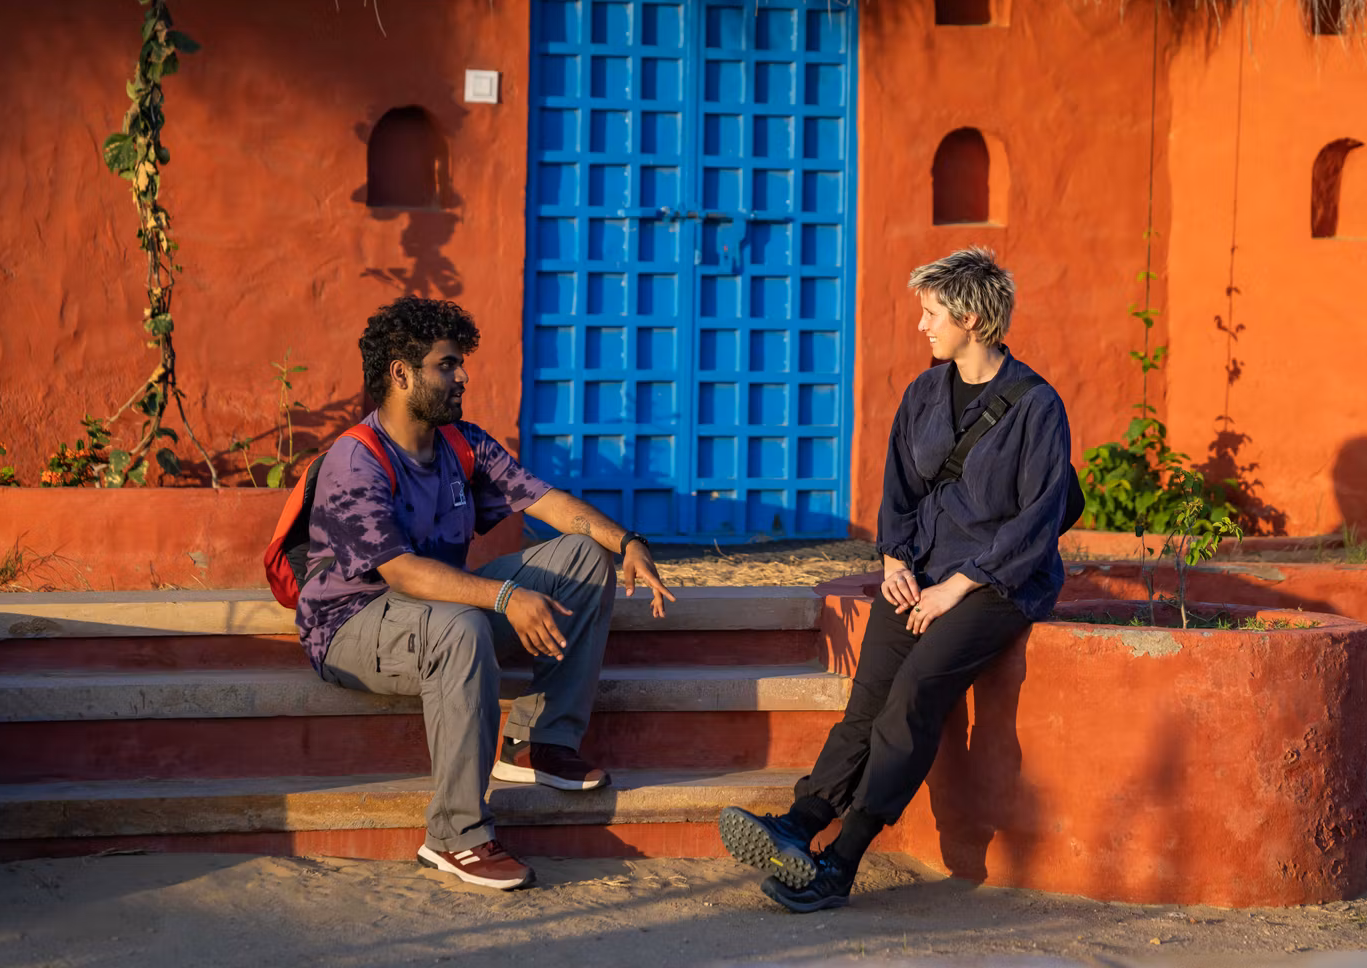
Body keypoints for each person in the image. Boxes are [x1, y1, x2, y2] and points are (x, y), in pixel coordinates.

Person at [716, 247, 1074, 912]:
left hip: (998, 586)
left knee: (911, 697)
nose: (922, 326)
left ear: (972, 317)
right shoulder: (924, 393)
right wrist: (896, 562)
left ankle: (840, 863)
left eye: (932, 312)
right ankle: (799, 822)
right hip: (924, 574)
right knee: (868, 700)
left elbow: (1039, 519)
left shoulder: (1036, 406)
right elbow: (901, 490)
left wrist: (957, 586)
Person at [298, 295, 676, 892]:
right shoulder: (357, 459)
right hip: (354, 621)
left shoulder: (461, 443)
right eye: (447, 365)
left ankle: (537, 744)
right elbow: (399, 572)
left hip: (435, 609)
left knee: (583, 555)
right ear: (401, 374)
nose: (462, 376)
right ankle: (456, 834)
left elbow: (547, 502)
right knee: (462, 625)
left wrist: (625, 540)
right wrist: (503, 597)